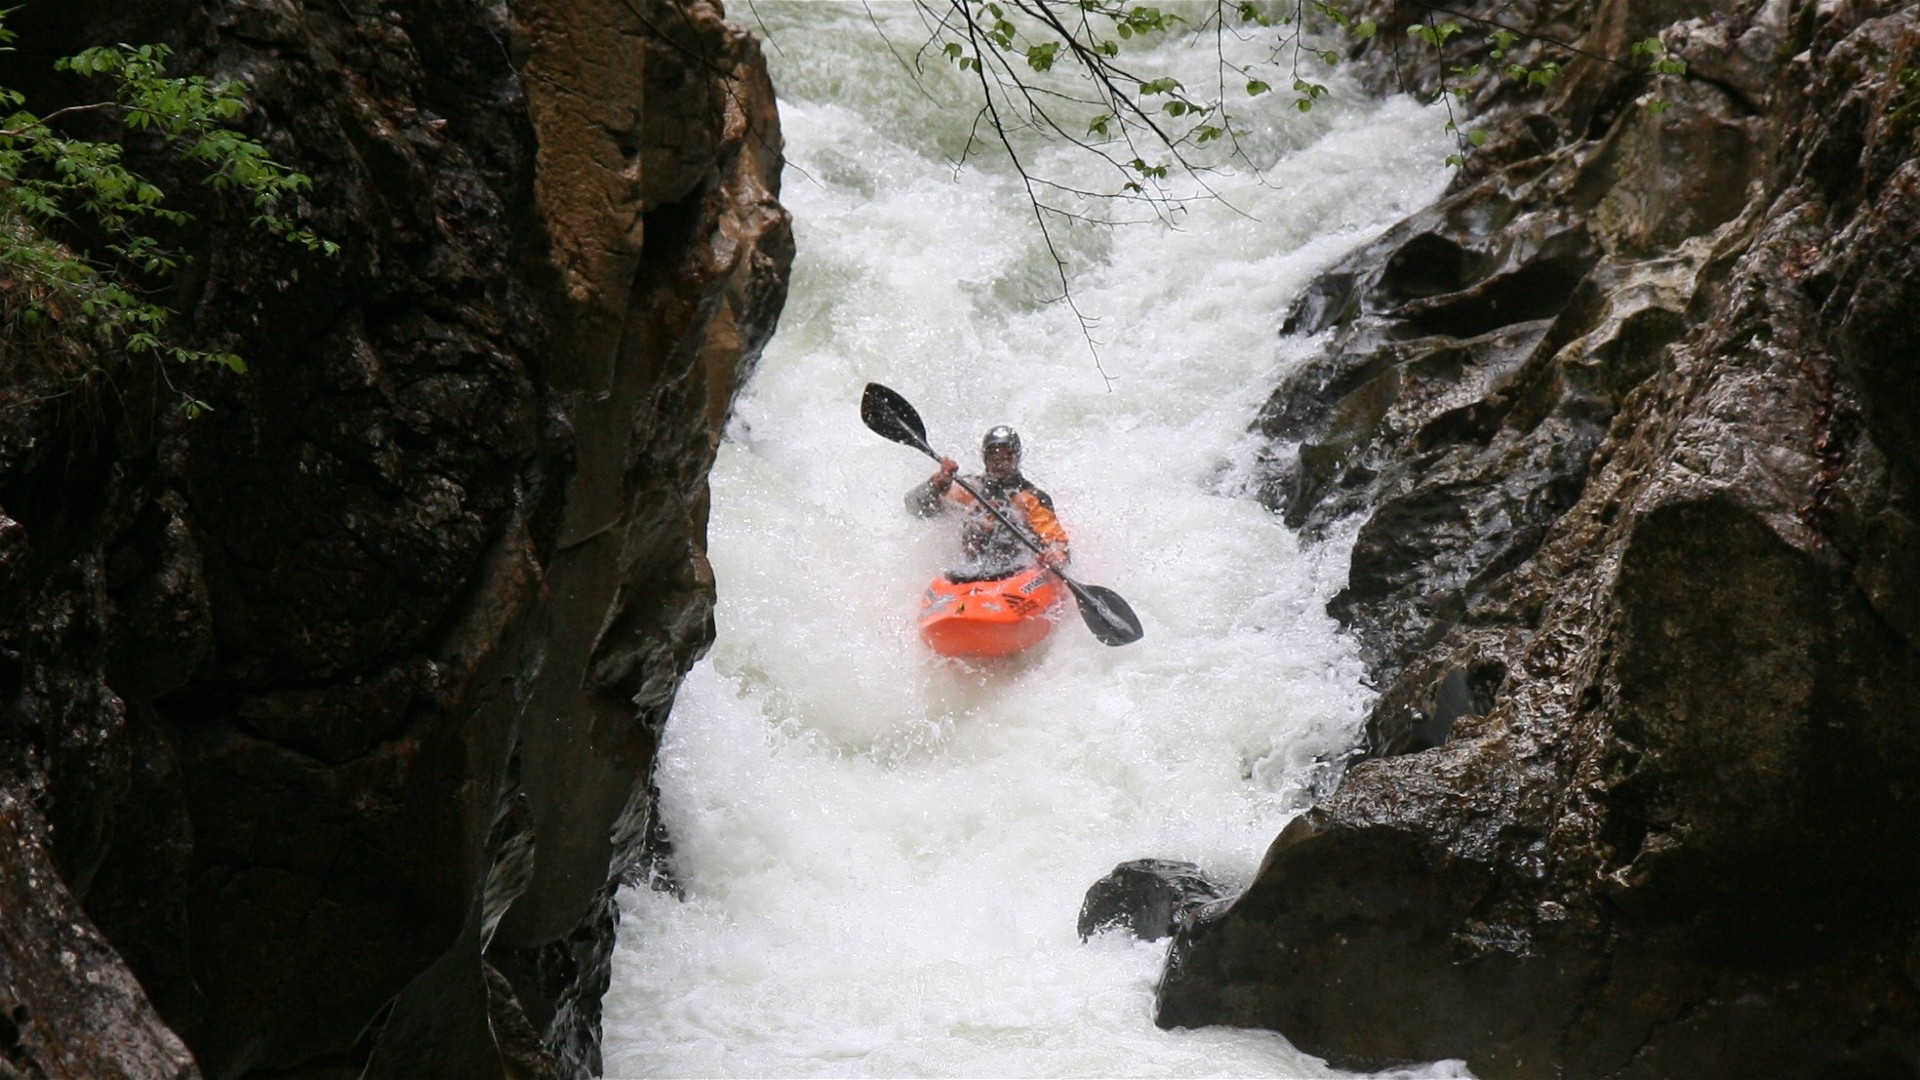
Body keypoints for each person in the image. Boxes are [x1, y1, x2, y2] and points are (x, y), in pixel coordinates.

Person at [905, 425, 1070, 582]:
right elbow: (914, 507)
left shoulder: (1030, 498)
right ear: (985, 458)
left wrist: (1054, 555)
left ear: (1016, 458)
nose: (999, 463)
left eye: (1007, 457)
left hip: (1017, 574)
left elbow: (1057, 542)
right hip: (969, 573)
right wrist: (938, 483)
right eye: (994, 457)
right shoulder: (969, 490)